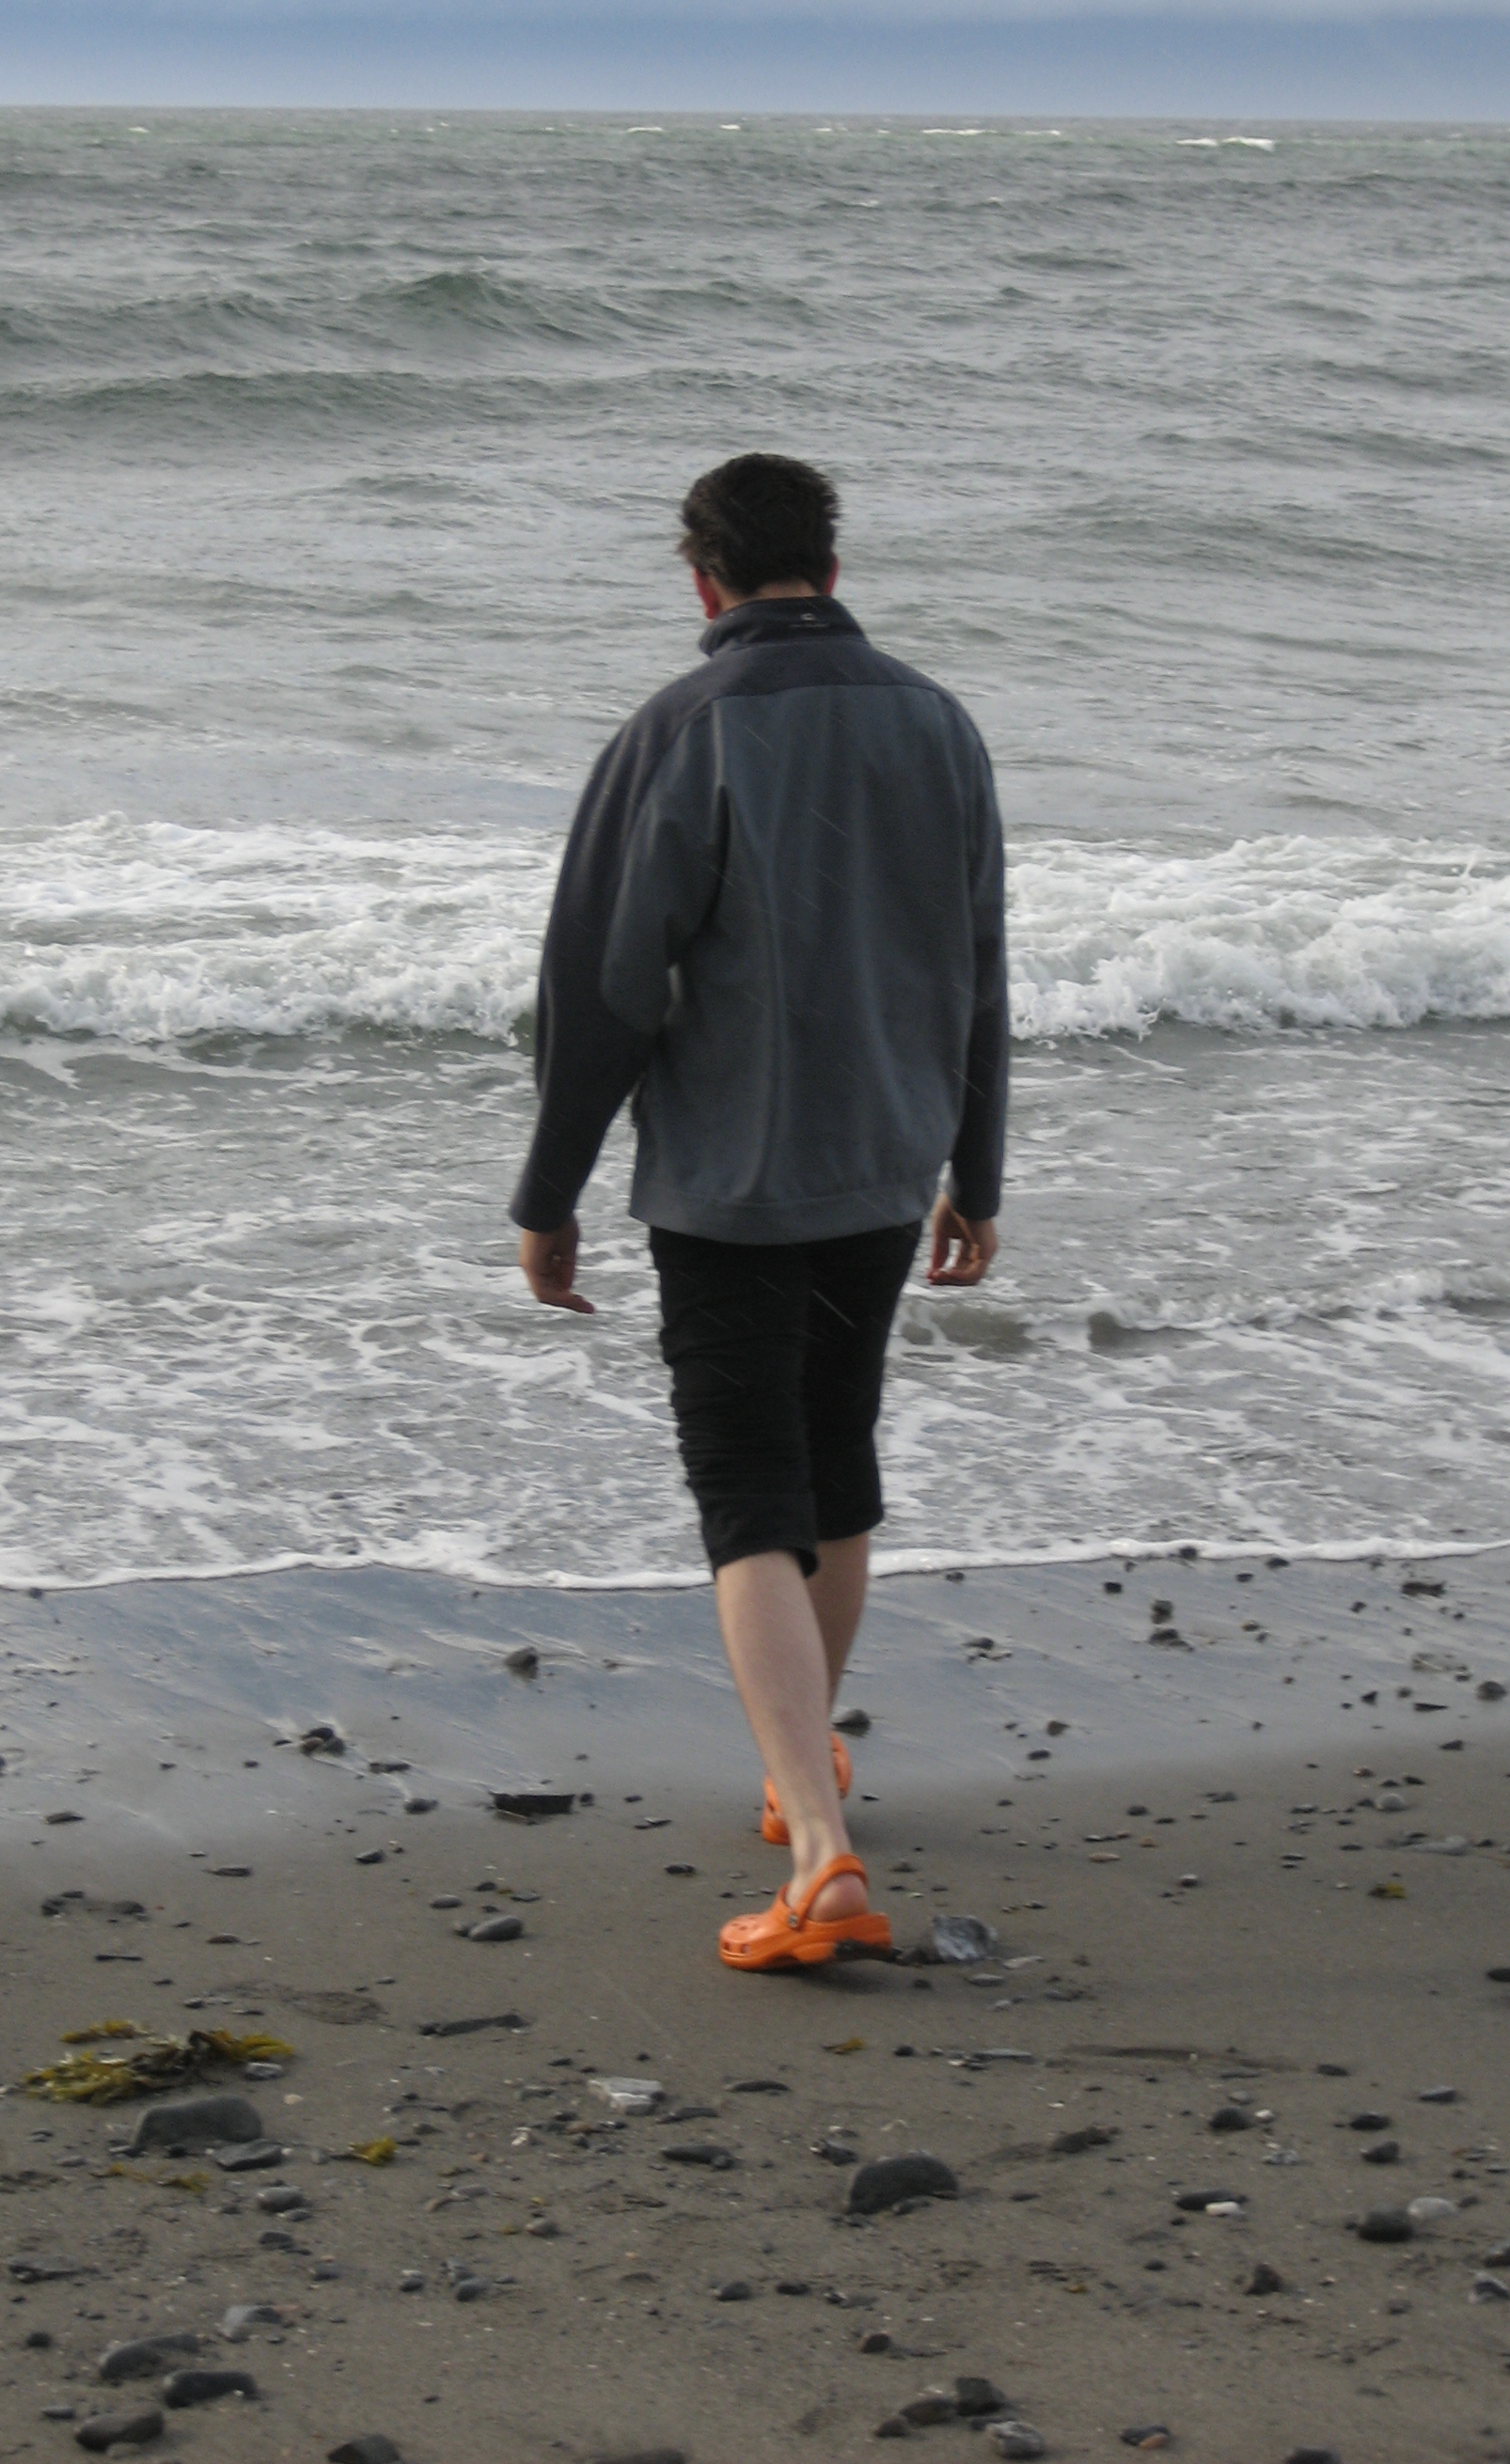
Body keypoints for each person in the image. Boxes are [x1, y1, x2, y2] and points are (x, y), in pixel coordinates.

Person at [510, 452, 1007, 1970]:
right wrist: (977, 1169)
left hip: (728, 1177)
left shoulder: (681, 729)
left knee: (746, 1494)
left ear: (701, 577)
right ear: (832, 570)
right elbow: (980, 963)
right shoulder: (938, 722)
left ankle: (822, 1849)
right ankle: (803, 1781)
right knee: (833, 1467)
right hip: (884, 1156)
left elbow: (601, 987)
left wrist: (549, 1191)